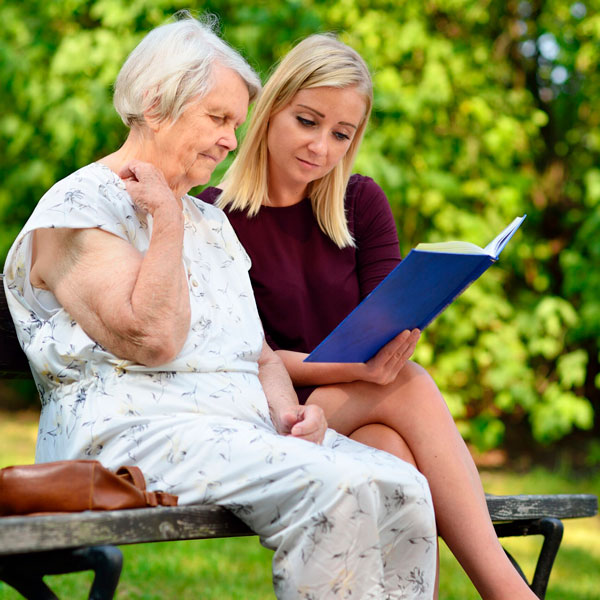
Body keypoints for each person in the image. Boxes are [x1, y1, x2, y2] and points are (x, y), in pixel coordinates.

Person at [3, 14, 437, 599]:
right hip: (130, 439)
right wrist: (165, 224)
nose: (233, 139)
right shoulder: (80, 203)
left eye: (236, 122)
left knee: (404, 487)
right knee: (335, 488)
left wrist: (291, 417)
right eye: (218, 118)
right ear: (157, 103)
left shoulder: (205, 218)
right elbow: (152, 338)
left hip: (235, 429)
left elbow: (256, 355)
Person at [199, 34, 539, 600]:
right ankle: (507, 589)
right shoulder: (214, 217)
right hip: (276, 412)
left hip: (363, 401)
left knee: (391, 446)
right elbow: (249, 354)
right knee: (409, 385)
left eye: (342, 134)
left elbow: (386, 322)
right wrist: (359, 372)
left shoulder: (359, 203)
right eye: (307, 121)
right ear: (271, 107)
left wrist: (401, 332)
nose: (321, 147)